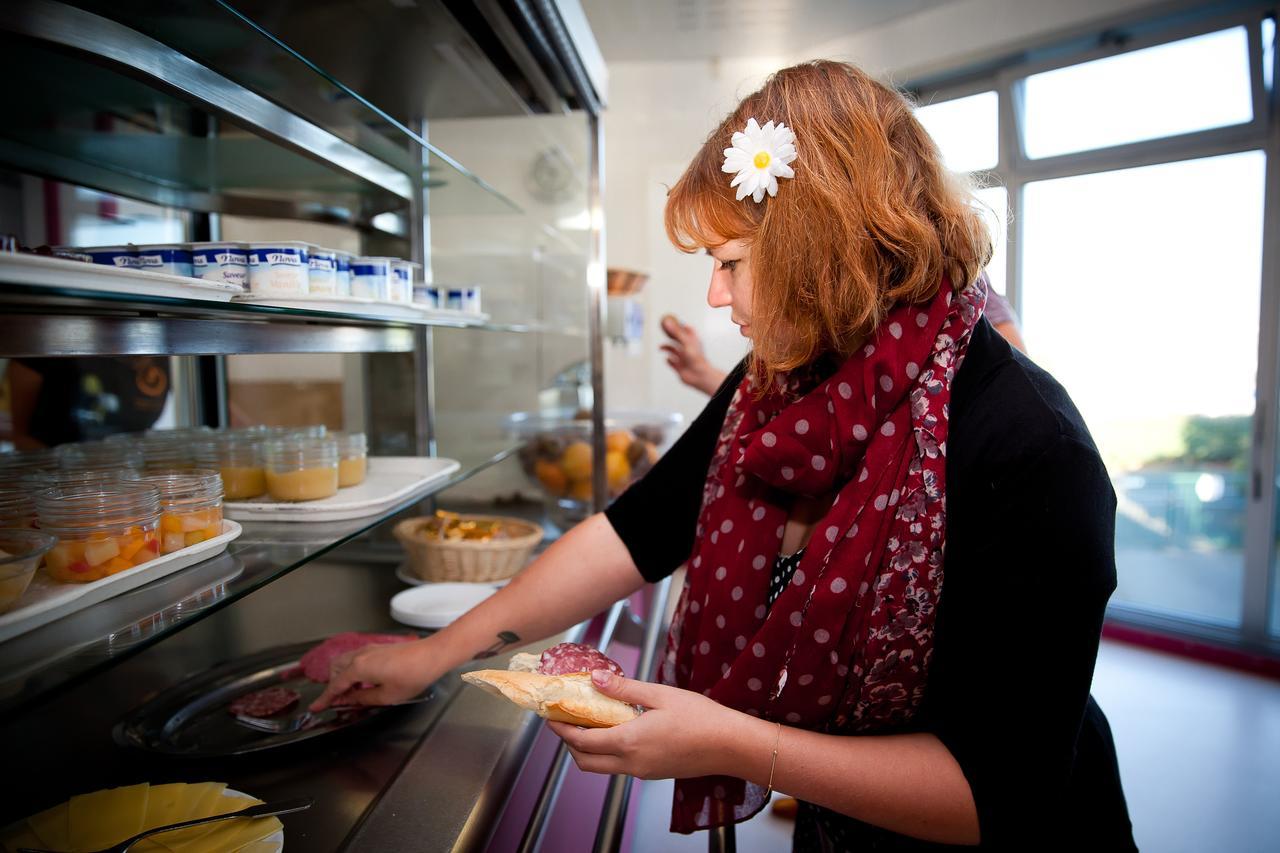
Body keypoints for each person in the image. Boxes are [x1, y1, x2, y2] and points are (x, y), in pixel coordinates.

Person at [314, 60, 1134, 850]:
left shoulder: (1030, 446)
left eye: (730, 262)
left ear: (823, 249)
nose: (714, 293)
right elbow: (634, 531)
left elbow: (996, 792)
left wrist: (740, 745)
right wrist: (431, 656)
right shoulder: (774, 383)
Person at [661, 287, 1025, 397]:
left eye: (731, 263)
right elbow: (800, 411)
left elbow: (1011, 389)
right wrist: (705, 375)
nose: (717, 295)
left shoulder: (965, 301)